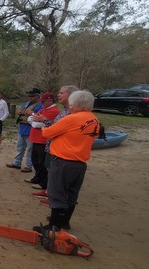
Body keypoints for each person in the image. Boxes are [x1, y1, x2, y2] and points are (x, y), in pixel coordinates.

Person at [34, 90, 100, 232]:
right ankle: (64, 222)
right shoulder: (94, 119)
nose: (69, 107)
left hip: (64, 161)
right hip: (80, 163)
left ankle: (53, 226)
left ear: (76, 104)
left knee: (57, 193)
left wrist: (43, 125)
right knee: (71, 194)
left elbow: (48, 132)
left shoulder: (71, 118)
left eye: (71, 104)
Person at [26, 92, 60, 194]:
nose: (42, 104)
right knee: (35, 159)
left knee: (42, 162)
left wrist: (35, 121)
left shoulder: (54, 111)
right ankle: (37, 177)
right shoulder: (44, 109)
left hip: (43, 139)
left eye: (43, 102)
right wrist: (35, 120)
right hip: (36, 138)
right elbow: (32, 119)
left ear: (49, 101)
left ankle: (43, 182)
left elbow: (38, 124)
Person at [6, 88, 41, 172]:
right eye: (29, 95)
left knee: (30, 149)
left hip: (31, 130)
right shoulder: (26, 103)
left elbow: (40, 117)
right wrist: (20, 112)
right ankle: (17, 163)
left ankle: (29, 166)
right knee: (20, 147)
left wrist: (31, 113)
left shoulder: (40, 105)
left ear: (37, 96)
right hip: (22, 128)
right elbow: (21, 110)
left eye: (32, 96)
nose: (30, 97)